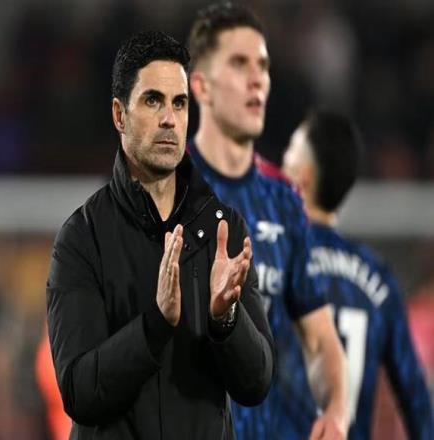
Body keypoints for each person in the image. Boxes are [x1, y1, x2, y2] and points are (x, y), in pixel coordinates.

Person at [46, 30, 275, 440]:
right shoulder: (82, 239)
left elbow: (256, 384)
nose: (169, 118)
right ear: (119, 115)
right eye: (153, 100)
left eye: (179, 103)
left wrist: (226, 319)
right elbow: (79, 393)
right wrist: (155, 326)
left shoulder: (222, 230)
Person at [187, 3, 348, 440]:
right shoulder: (162, 189)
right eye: (239, 64)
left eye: (263, 65)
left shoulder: (284, 200)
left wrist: (336, 411)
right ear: (201, 86)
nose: (257, 78)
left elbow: (320, 338)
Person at [282, 110, 434, 439]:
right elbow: (415, 399)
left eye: (290, 152)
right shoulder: (378, 279)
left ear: (302, 178)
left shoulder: (278, 262)